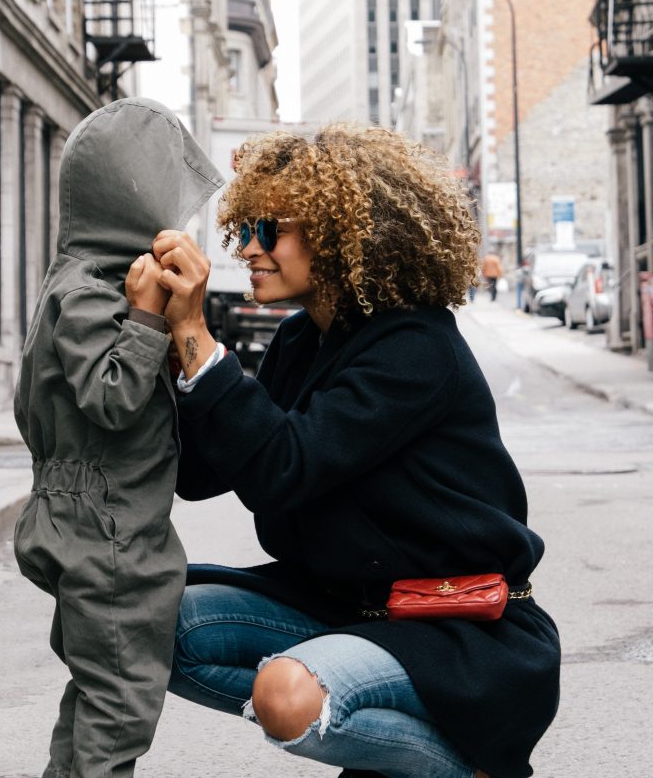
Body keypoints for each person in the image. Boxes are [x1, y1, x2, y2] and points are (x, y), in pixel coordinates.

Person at [152, 123, 560, 778]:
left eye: (270, 230)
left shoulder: (415, 348)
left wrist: (198, 334)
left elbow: (282, 468)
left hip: (460, 631)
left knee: (285, 696)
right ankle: (375, 735)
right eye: (245, 228)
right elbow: (202, 473)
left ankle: (467, 767)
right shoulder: (300, 342)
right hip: (345, 609)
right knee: (148, 628)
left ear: (341, 235)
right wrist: (171, 349)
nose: (248, 248)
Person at [12, 98, 223, 778]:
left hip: (86, 517)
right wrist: (147, 318)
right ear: (132, 199)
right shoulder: (93, 294)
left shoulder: (79, 282)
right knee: (120, 706)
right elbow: (112, 397)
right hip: (107, 529)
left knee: (97, 693)